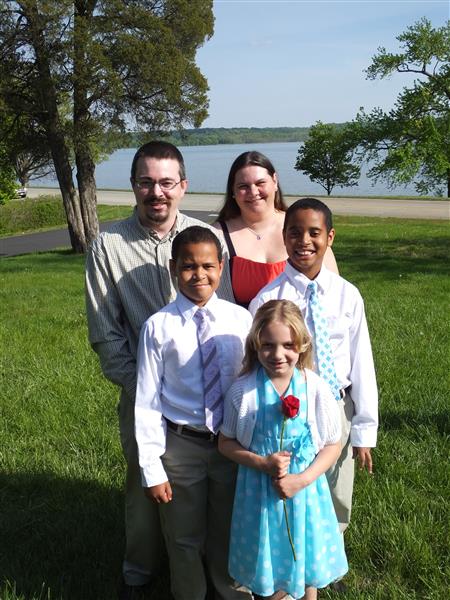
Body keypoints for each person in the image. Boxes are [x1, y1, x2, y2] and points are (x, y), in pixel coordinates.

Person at [85, 141, 234, 598]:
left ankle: (214, 571)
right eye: (146, 182)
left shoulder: (205, 237)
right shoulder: (108, 245)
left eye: (167, 182)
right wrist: (148, 390)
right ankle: (140, 571)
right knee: (144, 486)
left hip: (207, 402)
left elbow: (223, 309)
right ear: (134, 186)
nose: (157, 192)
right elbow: (105, 332)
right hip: (141, 392)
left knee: (215, 497)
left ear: (183, 186)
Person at [135, 226, 252, 600]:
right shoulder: (158, 327)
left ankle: (230, 591)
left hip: (231, 444)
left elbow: (253, 382)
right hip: (181, 446)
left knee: (228, 527)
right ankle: (190, 593)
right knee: (183, 535)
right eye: (188, 266)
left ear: (221, 266)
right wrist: (152, 467)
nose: (198, 274)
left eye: (207, 266)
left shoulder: (240, 320)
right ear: (173, 268)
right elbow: (147, 401)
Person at [249, 197, 378, 536]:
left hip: (337, 404)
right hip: (289, 409)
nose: (303, 241)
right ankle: (294, 551)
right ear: (284, 236)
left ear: (330, 237)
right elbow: (255, 364)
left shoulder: (347, 295)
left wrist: (364, 429)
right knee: (292, 491)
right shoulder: (268, 299)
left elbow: (362, 362)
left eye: (314, 233)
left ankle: (332, 550)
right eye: (294, 232)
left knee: (337, 490)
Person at [219, 299, 348, 600]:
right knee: (269, 559)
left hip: (305, 492)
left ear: (302, 345)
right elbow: (225, 443)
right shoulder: (243, 392)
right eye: (268, 345)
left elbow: (333, 444)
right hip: (260, 495)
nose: (278, 354)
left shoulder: (315, 388)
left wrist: (301, 480)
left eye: (288, 345)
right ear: (256, 345)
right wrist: (262, 463)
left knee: (305, 561)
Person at [213, 151, 338, 308]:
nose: (253, 192)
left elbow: (334, 290)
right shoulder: (216, 235)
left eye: (260, 183)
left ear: (275, 181)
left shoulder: (304, 226)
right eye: (243, 186)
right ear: (232, 190)